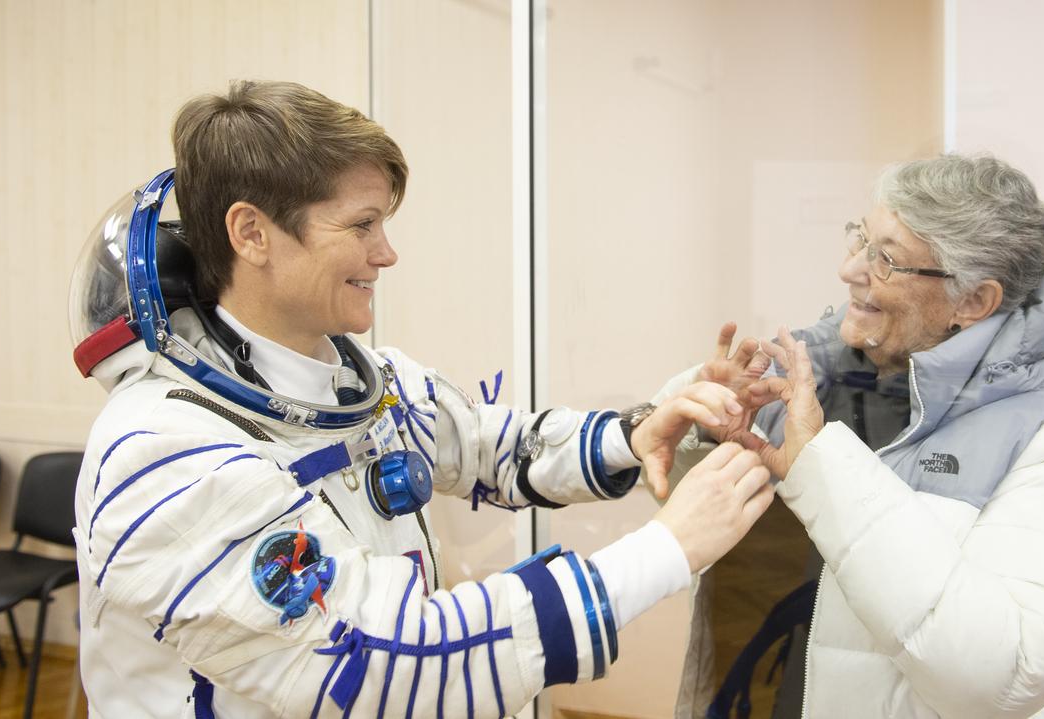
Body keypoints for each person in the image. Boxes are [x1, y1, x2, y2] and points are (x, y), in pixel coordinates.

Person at [68, 80, 775, 718]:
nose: (387, 253)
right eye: (361, 224)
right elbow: (383, 665)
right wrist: (665, 549)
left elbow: (499, 448)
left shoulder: (367, 381)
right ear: (252, 233)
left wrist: (640, 430)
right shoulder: (161, 455)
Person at [657, 155, 1044, 718]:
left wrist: (822, 472)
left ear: (973, 302)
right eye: (860, 239)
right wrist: (705, 423)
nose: (850, 269)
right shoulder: (813, 381)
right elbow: (684, 508)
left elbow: (1010, 676)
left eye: (886, 258)